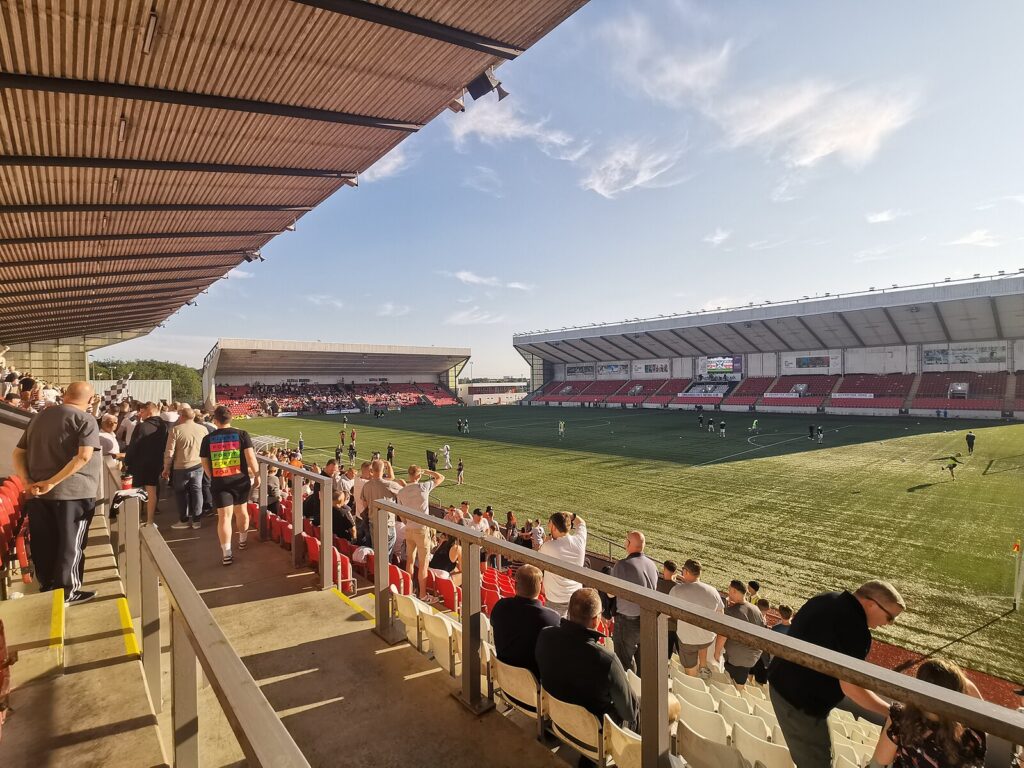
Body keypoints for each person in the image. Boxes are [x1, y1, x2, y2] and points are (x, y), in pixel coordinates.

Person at [769, 580, 907, 768]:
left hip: (781, 685)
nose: (889, 624)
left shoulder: (826, 597)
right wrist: (891, 712)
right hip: (801, 705)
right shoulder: (857, 630)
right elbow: (851, 687)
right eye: (890, 617)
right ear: (872, 604)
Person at [12, 381, 101, 604]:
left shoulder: (39, 417)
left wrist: (27, 481)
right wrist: (52, 482)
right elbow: (83, 457)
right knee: (71, 543)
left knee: (45, 541)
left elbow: (17, 453)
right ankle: (68, 592)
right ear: (90, 401)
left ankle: (48, 587)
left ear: (65, 395)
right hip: (74, 494)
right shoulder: (85, 419)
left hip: (38, 494)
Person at [535, 588, 639, 751]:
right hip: (593, 735)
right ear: (595, 620)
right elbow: (630, 713)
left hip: (558, 719)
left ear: (569, 612)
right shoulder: (607, 660)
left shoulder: (545, 635)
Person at [872, 659, 985, 768]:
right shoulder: (971, 734)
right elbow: (981, 710)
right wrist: (953, 680)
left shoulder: (900, 718)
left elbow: (882, 759)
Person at [200, 405, 260, 566]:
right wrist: (258, 474)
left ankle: (227, 553)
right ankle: (242, 540)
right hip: (240, 480)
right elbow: (251, 458)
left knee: (224, 518)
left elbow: (204, 461)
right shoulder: (242, 434)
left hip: (220, 481)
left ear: (215, 420)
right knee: (242, 512)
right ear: (231, 418)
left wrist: (211, 475)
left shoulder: (208, 439)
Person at [489, 564, 559, 677]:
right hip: (533, 689)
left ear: (515, 584)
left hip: (504, 679)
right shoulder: (552, 619)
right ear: (541, 586)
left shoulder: (500, 606)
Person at [609, 531, 659, 672]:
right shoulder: (652, 565)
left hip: (627, 622)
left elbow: (611, 593)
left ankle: (630, 692)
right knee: (641, 661)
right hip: (647, 620)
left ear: (629, 544)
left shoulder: (622, 565)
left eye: (626, 540)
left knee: (624, 663)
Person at [396, 464, 444, 602]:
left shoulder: (402, 492)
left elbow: (401, 513)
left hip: (409, 528)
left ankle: (409, 591)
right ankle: (423, 595)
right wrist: (427, 471)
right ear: (419, 475)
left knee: (410, 561)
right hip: (421, 529)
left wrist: (407, 523)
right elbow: (441, 477)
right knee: (423, 564)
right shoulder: (423, 487)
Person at [163, 405, 209, 530]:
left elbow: (169, 451)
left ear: (181, 417)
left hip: (181, 466)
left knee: (181, 493)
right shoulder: (203, 429)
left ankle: (184, 519)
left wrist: (166, 468)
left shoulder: (176, 430)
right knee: (197, 491)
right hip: (198, 465)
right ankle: (196, 521)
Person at [714, 580, 765, 690]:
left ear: (734, 591)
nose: (728, 593)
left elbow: (723, 635)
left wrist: (717, 652)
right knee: (741, 679)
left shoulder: (730, 612)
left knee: (736, 685)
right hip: (753, 655)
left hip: (737, 657)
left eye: (729, 590)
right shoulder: (756, 609)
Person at [124, 402, 167, 526]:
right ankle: (150, 520)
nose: (139, 414)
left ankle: (135, 519)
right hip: (155, 461)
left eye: (142, 411)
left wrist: (127, 461)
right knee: (152, 490)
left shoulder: (141, 427)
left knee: (136, 490)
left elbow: (134, 445)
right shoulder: (163, 426)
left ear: (149, 412)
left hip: (139, 462)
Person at [538, 512, 587, 617]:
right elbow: (581, 522)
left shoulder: (548, 546)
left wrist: (545, 542)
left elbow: (538, 560)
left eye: (550, 524)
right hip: (576, 598)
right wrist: (571, 515)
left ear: (555, 528)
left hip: (555, 600)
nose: (548, 526)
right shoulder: (580, 541)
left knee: (554, 631)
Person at [360, 458, 404, 558]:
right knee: (386, 554)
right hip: (387, 524)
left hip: (373, 522)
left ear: (372, 470)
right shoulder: (390, 485)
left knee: (377, 551)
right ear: (383, 470)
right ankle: (385, 573)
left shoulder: (366, 485)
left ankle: (378, 571)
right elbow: (405, 493)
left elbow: (365, 504)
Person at [657, 560, 681, 660]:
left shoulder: (658, 585)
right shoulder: (679, 587)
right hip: (678, 627)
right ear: (675, 572)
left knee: (665, 656)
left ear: (664, 569)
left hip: (663, 626)